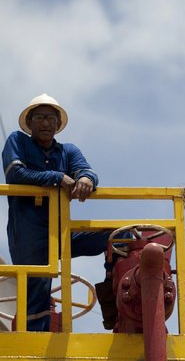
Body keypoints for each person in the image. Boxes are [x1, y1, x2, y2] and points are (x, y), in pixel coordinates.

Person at [2, 93, 112, 331]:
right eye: (40, 117)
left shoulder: (68, 151)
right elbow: (15, 174)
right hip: (28, 233)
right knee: (37, 289)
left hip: (61, 232)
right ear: (29, 122)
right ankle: (35, 341)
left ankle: (115, 302)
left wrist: (86, 178)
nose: (46, 123)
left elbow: (86, 171)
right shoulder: (17, 141)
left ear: (58, 124)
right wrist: (57, 177)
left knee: (120, 238)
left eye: (51, 118)